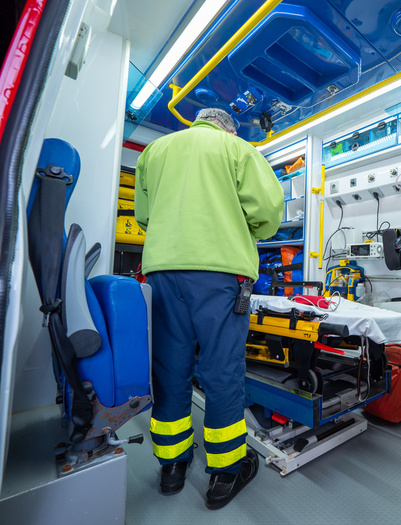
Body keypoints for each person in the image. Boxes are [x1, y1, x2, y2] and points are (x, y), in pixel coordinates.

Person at [134, 108, 283, 510]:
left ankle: (171, 468)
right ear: (227, 127)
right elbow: (268, 216)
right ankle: (225, 473)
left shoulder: (155, 150)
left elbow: (144, 216)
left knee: (169, 369)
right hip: (221, 273)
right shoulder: (237, 149)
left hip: (163, 270)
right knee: (221, 371)